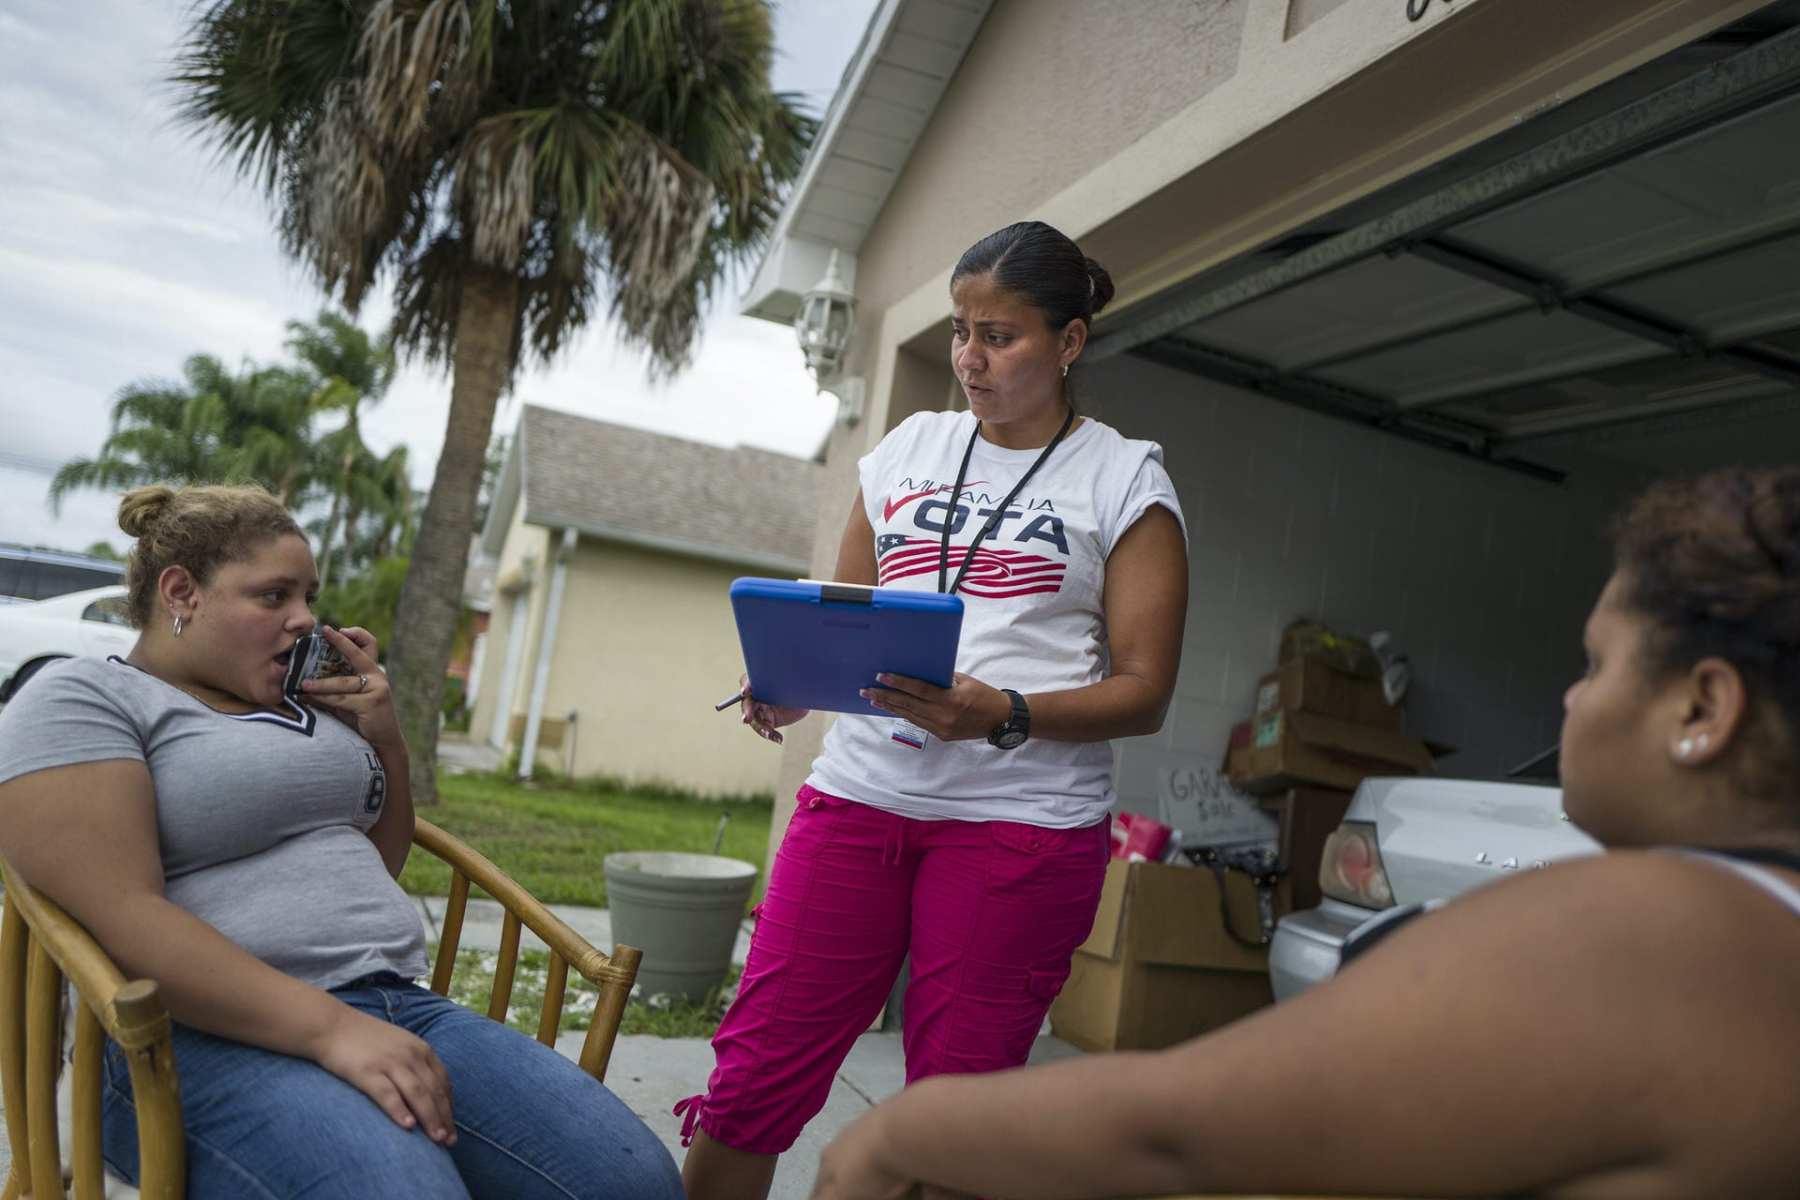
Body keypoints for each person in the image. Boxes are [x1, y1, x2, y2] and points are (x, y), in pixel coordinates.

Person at [810, 464, 1800, 1200]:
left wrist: (904, 1133)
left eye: (1594, 665)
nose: (1573, 702)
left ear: (1701, 709)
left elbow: (1177, 1134)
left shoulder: (1665, 931)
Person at [677, 220, 1190, 1200]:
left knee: (956, 1125)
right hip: (861, 798)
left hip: (1020, 827)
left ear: (1069, 343)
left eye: (999, 336)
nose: (968, 357)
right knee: (754, 1077)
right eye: (961, 330)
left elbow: (1145, 689)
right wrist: (788, 687)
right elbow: (840, 625)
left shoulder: (1125, 479)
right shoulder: (908, 448)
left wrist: (1005, 713)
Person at [0, 484, 683, 1200]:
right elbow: (122, 917)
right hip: (185, 1042)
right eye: (274, 596)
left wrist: (385, 742)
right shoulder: (85, 697)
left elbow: (375, 864)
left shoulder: (307, 705)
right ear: (182, 592)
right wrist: (329, 1030)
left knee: (632, 1180)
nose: (304, 620)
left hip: (395, 1004)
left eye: (309, 596)